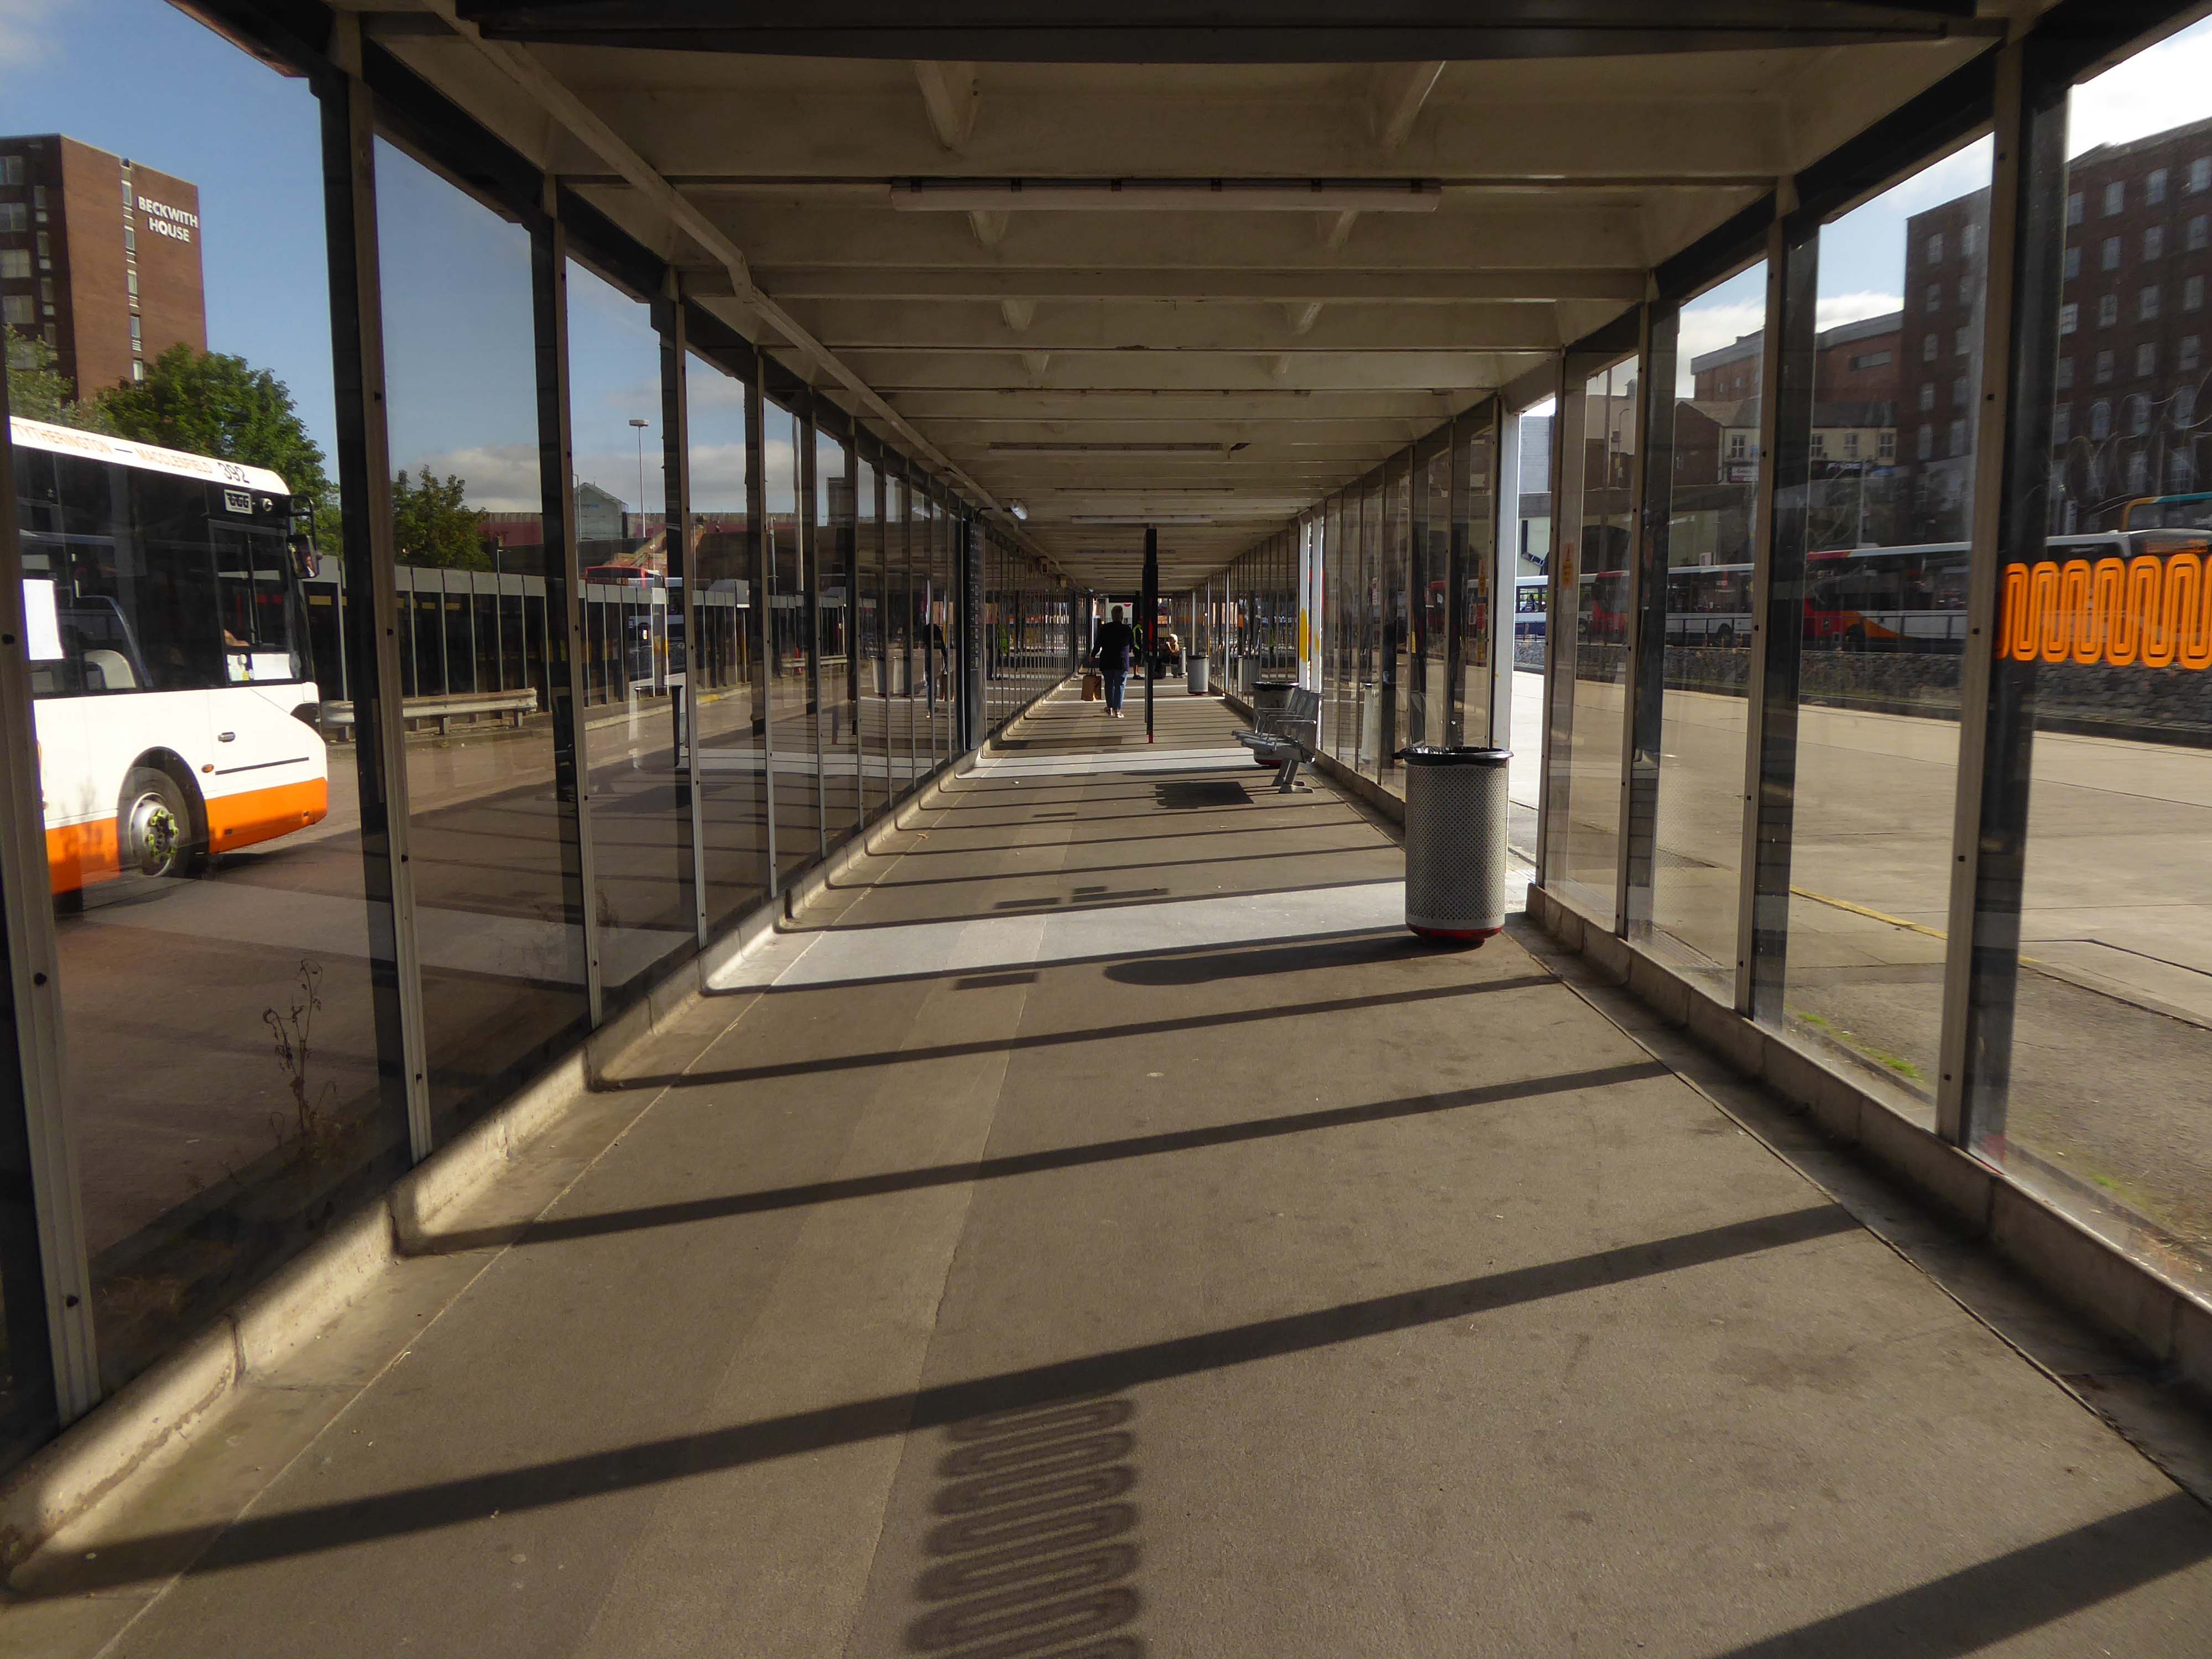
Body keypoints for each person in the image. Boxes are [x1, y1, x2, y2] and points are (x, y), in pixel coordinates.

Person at [1091, 604, 1137, 718]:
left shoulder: (1105, 628)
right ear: (1122, 616)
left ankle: (1110, 708)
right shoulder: (1127, 630)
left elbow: (1098, 644)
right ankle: (1117, 711)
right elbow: (1132, 644)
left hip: (1107, 661)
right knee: (1120, 685)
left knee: (1109, 685)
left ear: (1112, 616)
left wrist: (1093, 655)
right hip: (1121, 662)